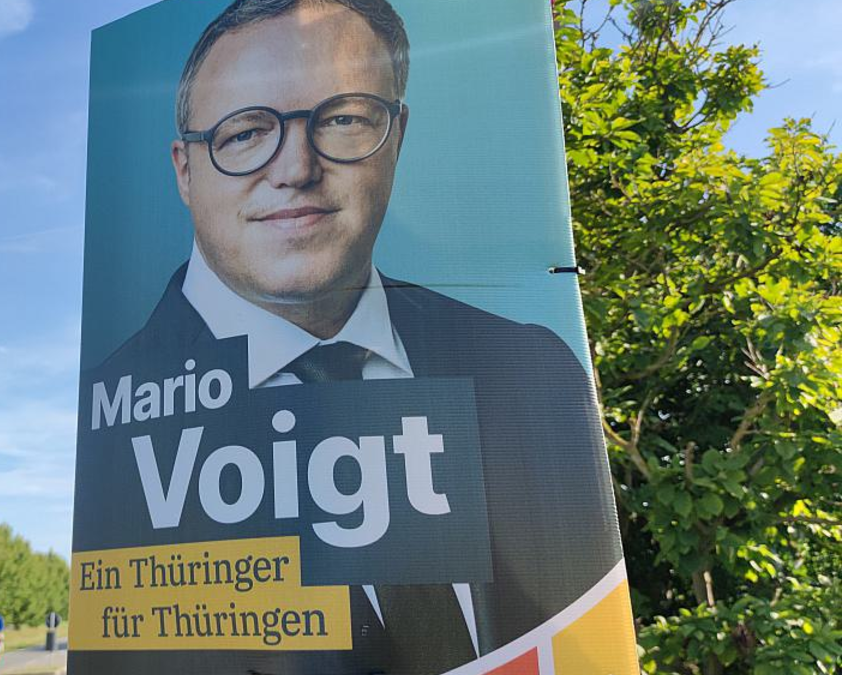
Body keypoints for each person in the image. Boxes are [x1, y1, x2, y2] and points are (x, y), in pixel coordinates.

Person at [73, 0, 622, 673]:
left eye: (342, 118)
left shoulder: (532, 371)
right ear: (184, 169)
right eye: (245, 132)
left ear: (397, 134)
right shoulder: (116, 431)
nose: (296, 168)